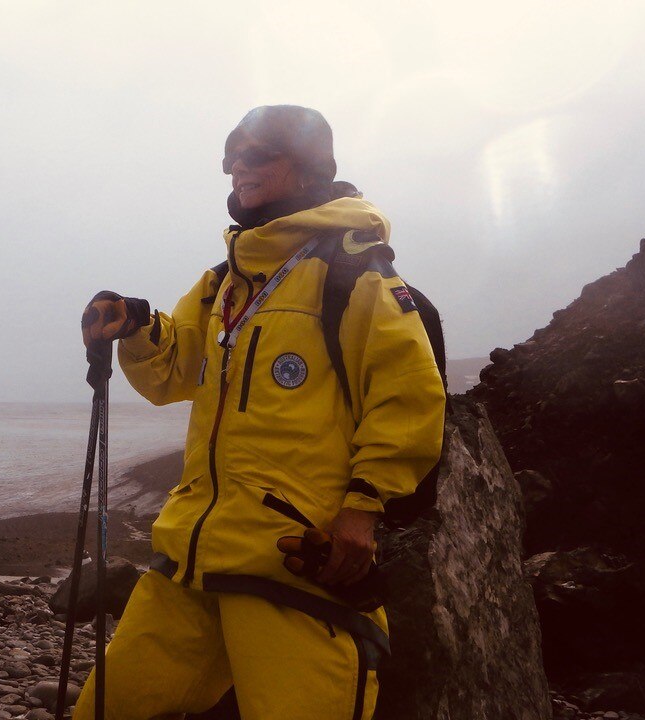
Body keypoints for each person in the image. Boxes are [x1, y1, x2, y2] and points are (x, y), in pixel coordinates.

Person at [78, 105, 446, 720]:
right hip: (193, 559)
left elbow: (408, 395)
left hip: (296, 561)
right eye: (231, 155)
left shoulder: (354, 274)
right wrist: (138, 327)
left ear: (308, 169)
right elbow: (176, 372)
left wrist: (362, 512)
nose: (236, 167)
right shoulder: (227, 281)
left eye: (256, 154)